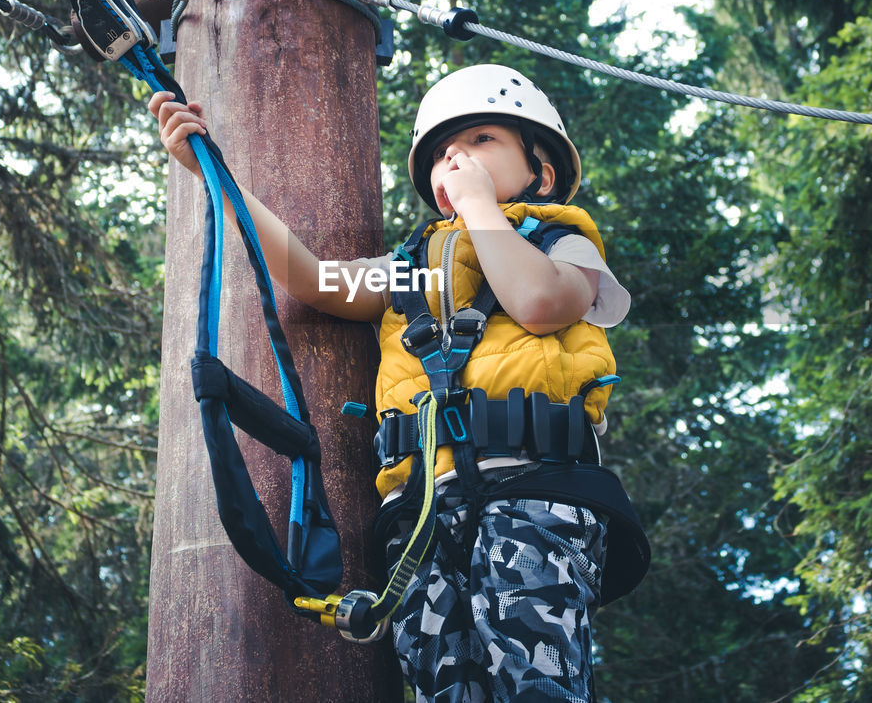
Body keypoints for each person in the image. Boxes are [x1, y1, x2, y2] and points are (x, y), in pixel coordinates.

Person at [151, 64, 643, 702]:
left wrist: (478, 206)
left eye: (482, 141)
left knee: (535, 683)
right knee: (446, 688)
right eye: (443, 154)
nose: (456, 159)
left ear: (541, 170)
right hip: (420, 515)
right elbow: (313, 279)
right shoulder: (415, 272)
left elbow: (540, 302)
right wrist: (213, 175)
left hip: (534, 494)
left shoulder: (563, 241)